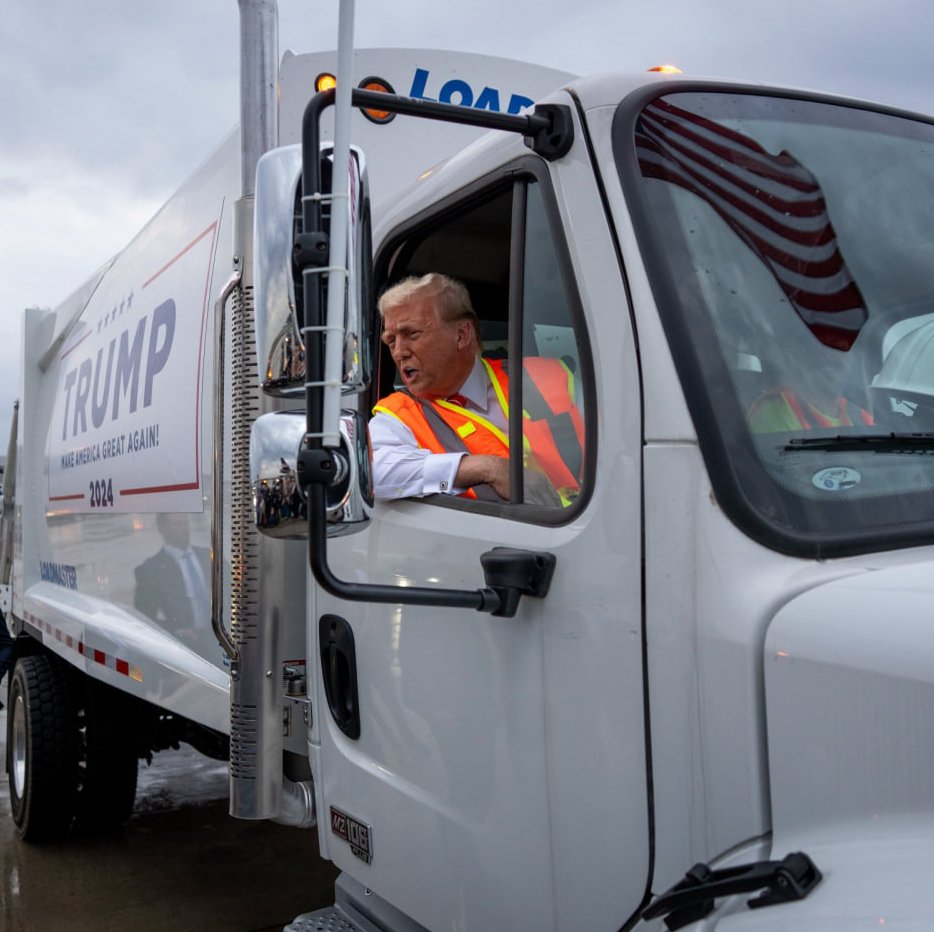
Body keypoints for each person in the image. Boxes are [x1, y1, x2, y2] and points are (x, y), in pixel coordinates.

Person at [370, 273, 583, 505]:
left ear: (461, 335)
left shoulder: (550, 376)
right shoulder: (398, 415)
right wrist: (485, 469)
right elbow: (372, 475)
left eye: (412, 334)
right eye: (391, 341)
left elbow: (620, 449)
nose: (399, 352)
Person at [134, 512, 212, 649]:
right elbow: (144, 617)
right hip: (186, 645)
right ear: (162, 529)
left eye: (186, 523)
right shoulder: (151, 570)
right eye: (178, 524)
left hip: (219, 637)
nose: (184, 528)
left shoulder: (209, 556)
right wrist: (177, 632)